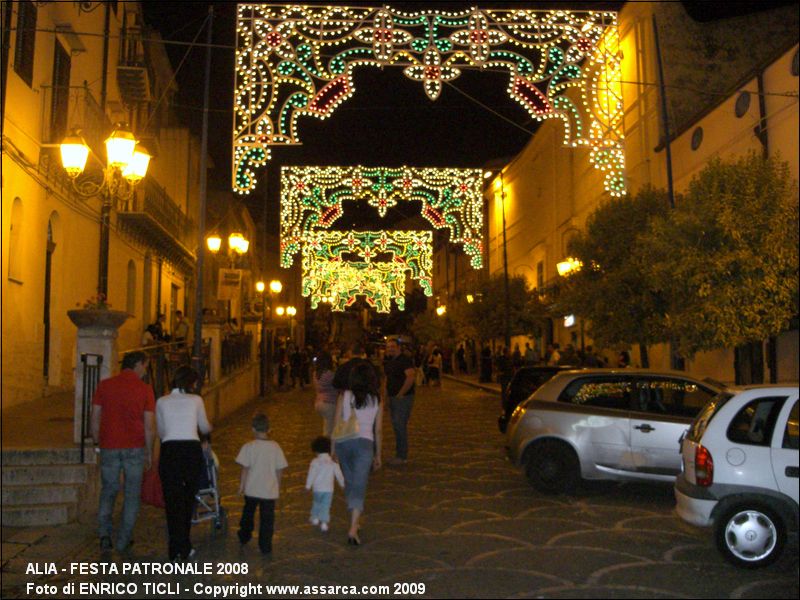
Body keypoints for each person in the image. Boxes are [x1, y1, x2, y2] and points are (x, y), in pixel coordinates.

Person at [91, 351, 155, 553]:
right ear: (137, 365)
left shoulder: (105, 386)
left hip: (109, 445)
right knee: (132, 493)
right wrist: (150, 452)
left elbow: (95, 417)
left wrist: (96, 441)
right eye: (145, 366)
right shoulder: (145, 390)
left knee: (108, 490)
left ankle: (104, 535)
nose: (145, 371)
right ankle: (123, 539)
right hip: (134, 447)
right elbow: (149, 425)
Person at [156, 365, 212, 561]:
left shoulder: (161, 401)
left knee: (172, 501)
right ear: (191, 382)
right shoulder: (196, 400)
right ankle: (185, 545)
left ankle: (174, 547)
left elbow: (161, 432)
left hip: (170, 451)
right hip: (190, 450)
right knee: (188, 500)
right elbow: (204, 426)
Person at [332, 361, 382, 545]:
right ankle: (353, 526)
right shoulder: (377, 399)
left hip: (344, 443)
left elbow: (336, 425)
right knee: (359, 484)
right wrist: (378, 455)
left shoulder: (344, 396)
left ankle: (354, 520)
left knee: (350, 482)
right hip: (365, 444)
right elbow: (378, 431)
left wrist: (332, 449)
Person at [236, 413, 287, 554]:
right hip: (269, 490)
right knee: (267, 519)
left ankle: (244, 535)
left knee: (248, 514)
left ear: (253, 429)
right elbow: (279, 469)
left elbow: (245, 469)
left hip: (252, 489)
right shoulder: (275, 447)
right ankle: (265, 545)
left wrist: (241, 486)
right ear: (268, 429)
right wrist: (278, 485)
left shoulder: (248, 447)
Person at [383, 337, 416, 466]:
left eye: (392, 346)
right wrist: (385, 397)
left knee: (399, 426)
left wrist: (401, 393)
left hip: (403, 398)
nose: (390, 349)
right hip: (393, 397)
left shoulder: (405, 360)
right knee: (397, 426)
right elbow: (387, 380)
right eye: (388, 347)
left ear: (398, 347)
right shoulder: (389, 362)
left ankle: (401, 456)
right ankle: (400, 454)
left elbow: (411, 376)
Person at [305, 436, 344, 532]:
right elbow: (339, 474)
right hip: (329, 489)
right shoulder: (333, 462)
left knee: (317, 503)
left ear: (316, 450)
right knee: (326, 505)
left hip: (317, 489)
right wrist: (342, 484)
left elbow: (311, 475)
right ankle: (324, 523)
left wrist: (308, 486)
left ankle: (315, 517)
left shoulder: (315, 461)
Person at [313, 351, 338, 436]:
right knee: (329, 430)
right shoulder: (330, 374)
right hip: (329, 402)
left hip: (319, 402)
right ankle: (327, 446)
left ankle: (326, 445)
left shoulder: (316, 374)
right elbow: (337, 386)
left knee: (327, 425)